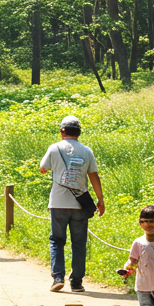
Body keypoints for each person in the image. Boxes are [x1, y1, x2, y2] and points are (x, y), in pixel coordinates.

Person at [39, 115, 105, 292]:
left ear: (62, 132)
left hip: (58, 203)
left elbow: (43, 168)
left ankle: (58, 277)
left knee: (57, 241)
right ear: (79, 132)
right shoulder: (87, 151)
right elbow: (94, 176)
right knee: (78, 243)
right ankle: (76, 282)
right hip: (80, 204)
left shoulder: (54, 148)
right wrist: (100, 199)